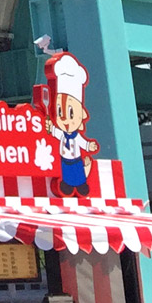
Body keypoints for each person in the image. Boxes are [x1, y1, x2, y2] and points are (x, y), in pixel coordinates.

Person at [45, 51, 99, 196]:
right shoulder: (62, 133)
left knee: (77, 172)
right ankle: (68, 184)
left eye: (71, 113)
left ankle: (81, 184)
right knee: (67, 172)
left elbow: (83, 143)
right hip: (64, 159)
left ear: (81, 114)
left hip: (75, 158)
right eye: (60, 112)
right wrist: (50, 128)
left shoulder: (75, 137)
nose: (65, 120)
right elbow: (54, 132)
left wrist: (89, 146)